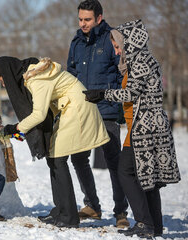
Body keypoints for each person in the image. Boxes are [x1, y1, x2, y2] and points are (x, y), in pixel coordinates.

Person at [83, 19, 181, 238]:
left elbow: (131, 93)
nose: (117, 52)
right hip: (144, 126)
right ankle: (153, 225)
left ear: (129, 43)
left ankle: (144, 223)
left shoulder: (140, 61)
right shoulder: (143, 60)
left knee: (125, 171)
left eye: (118, 47)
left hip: (144, 128)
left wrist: (102, 93)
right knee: (147, 177)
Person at [0, 56, 110, 228]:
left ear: (8, 74)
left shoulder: (35, 79)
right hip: (69, 108)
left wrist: (15, 128)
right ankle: (60, 210)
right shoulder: (31, 74)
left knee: (57, 159)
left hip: (77, 109)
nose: (3, 85)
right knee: (53, 158)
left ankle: (69, 216)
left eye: (2, 80)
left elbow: (39, 114)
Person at [66, 0, 129, 227]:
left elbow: (124, 74)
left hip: (107, 111)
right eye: (80, 19)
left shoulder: (111, 40)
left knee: (114, 161)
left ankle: (121, 212)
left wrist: (110, 97)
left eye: (87, 19)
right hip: (82, 111)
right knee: (78, 158)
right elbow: (70, 76)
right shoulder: (76, 42)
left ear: (99, 18)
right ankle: (92, 205)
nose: (83, 23)